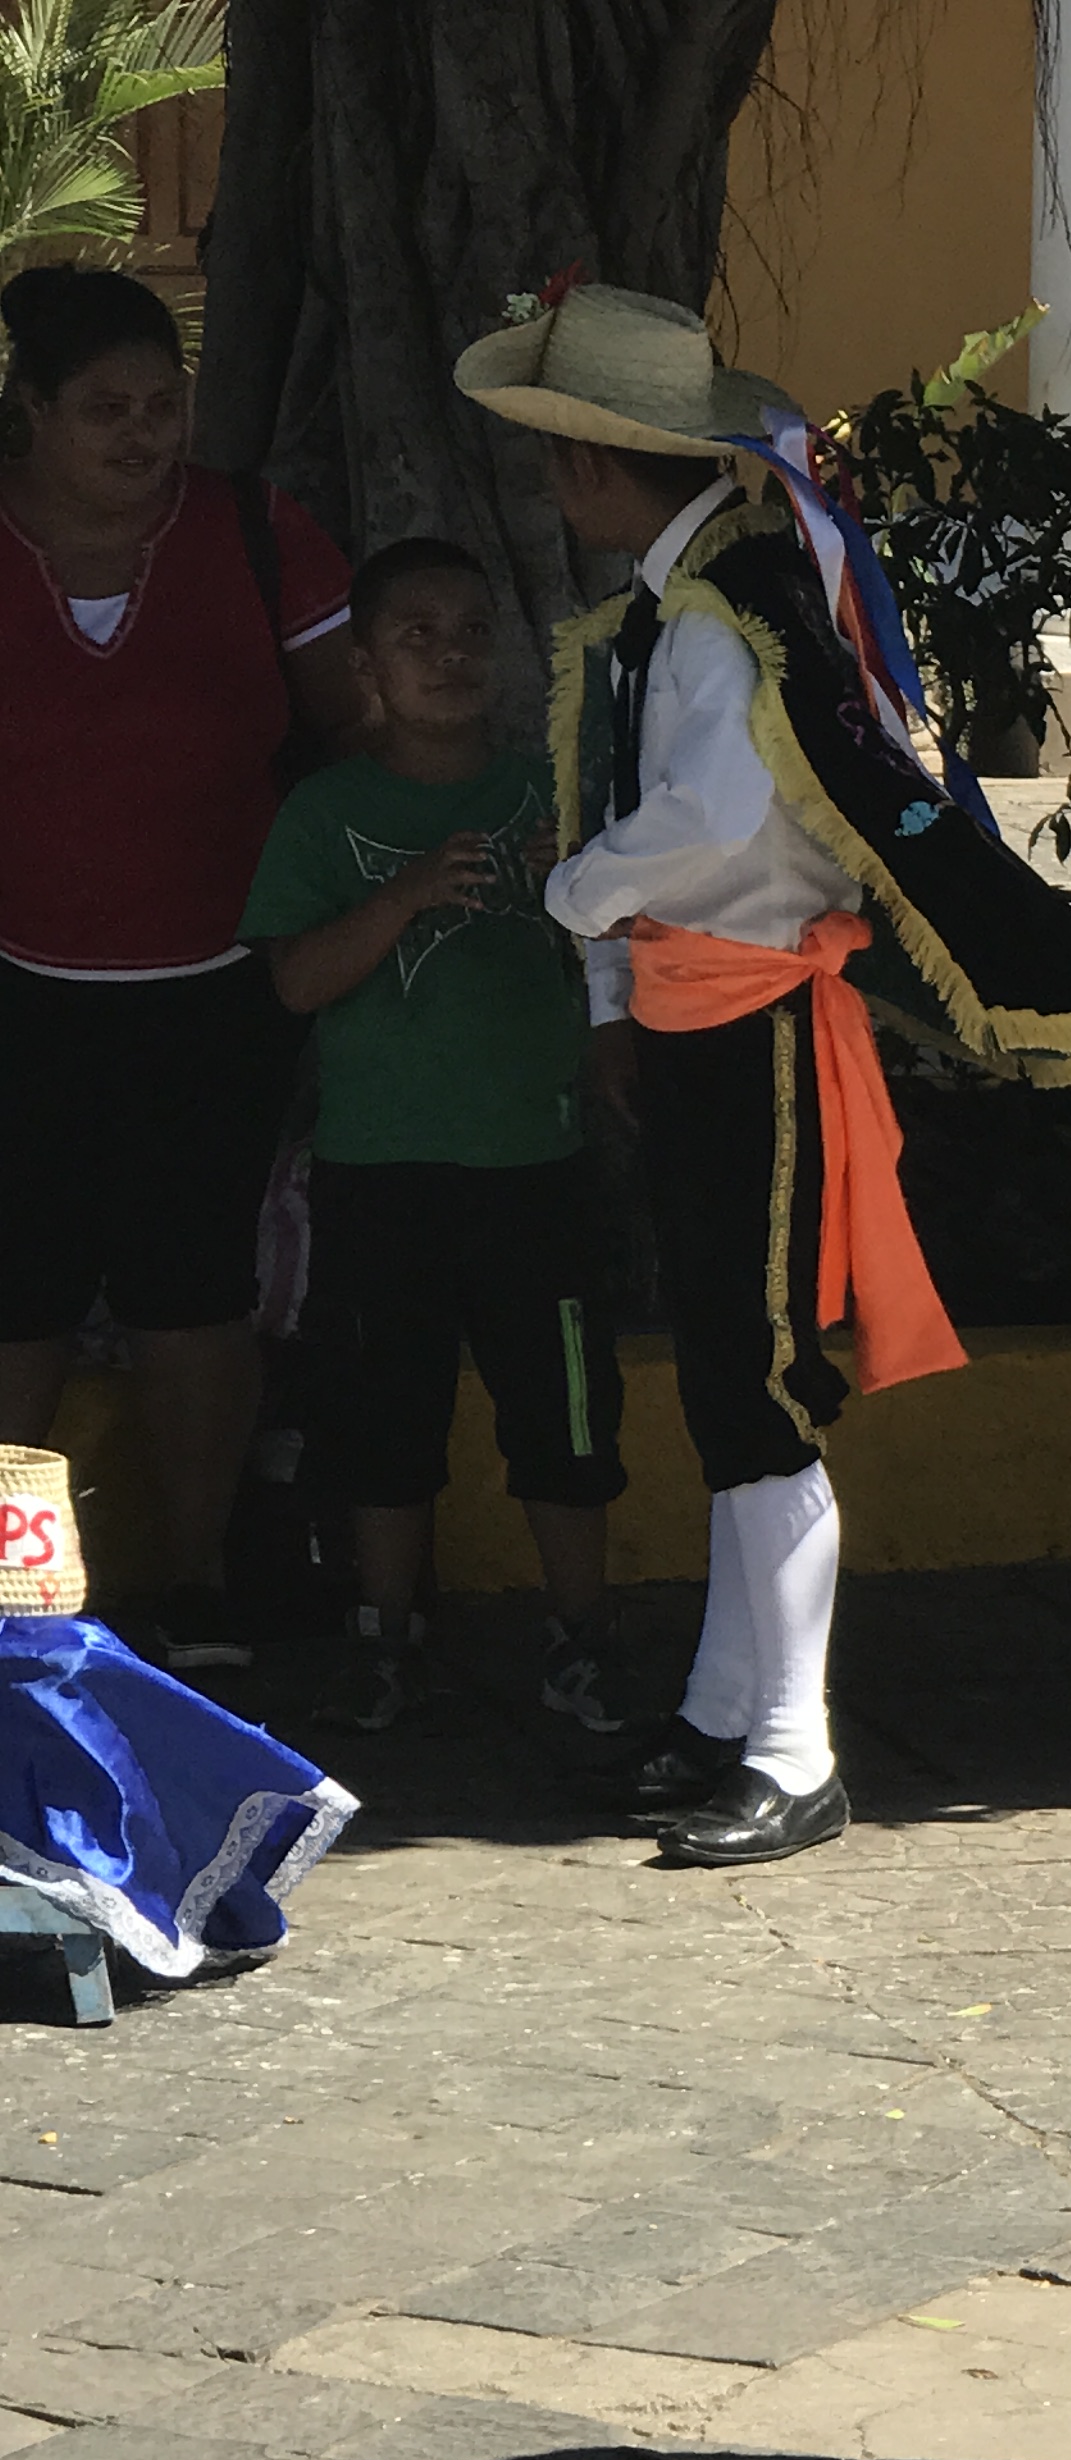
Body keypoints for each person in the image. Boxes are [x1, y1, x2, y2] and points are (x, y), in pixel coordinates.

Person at [457, 282, 1071, 1866]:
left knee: (759, 1378)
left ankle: (793, 1745)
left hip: (759, 1013)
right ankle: (727, 1712)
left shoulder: (728, 611)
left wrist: (574, 895)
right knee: (729, 1368)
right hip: (703, 1012)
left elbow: (713, 820)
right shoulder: (693, 599)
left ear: (587, 463)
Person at [0, 265, 362, 1671]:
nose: (146, 434)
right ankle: (18, 1600)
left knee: (194, 1296)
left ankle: (202, 1582)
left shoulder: (256, 534)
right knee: (15, 1301)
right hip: (17, 993)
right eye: (107, 409)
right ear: (31, 411)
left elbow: (351, 739)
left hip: (218, 993)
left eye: (164, 404)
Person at [241, 536, 630, 1737]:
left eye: (471, 633)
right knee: (382, 1417)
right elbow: (296, 981)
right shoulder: (327, 811)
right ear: (365, 666)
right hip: (380, 1169)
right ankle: (383, 1640)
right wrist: (406, 892)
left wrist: (582, 888)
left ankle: (582, 1641)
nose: (450, 657)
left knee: (565, 1415)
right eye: (418, 636)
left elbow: (629, 962)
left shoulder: (554, 793)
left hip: (537, 1164)